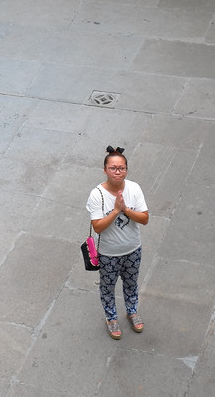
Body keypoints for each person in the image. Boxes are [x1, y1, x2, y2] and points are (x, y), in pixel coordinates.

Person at [86, 146, 149, 341]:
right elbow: (97, 227)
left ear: (126, 170)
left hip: (132, 249)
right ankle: (111, 317)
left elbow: (144, 218)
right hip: (109, 253)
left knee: (131, 283)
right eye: (113, 168)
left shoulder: (134, 188)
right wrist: (115, 211)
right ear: (105, 170)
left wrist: (125, 210)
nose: (117, 172)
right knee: (107, 287)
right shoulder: (97, 194)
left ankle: (132, 311)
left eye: (121, 168)